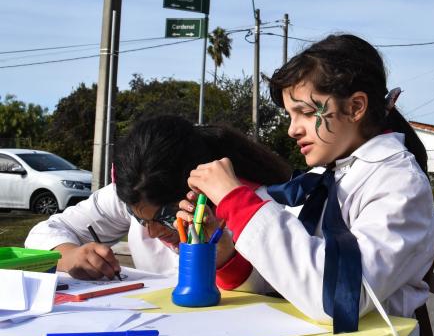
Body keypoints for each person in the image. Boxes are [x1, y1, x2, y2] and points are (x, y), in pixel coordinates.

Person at [184, 34, 434, 336]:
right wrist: (229, 255)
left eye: (304, 112)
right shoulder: (328, 177)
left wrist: (238, 201)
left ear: (355, 107)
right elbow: (293, 274)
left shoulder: (399, 184)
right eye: (290, 114)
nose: (292, 128)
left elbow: (337, 297)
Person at [25, 115, 291, 280]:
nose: (152, 233)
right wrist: (70, 256)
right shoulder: (138, 196)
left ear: (203, 188)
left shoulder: (257, 208)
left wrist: (224, 256)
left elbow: (282, 280)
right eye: (137, 218)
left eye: (166, 217)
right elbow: (44, 232)